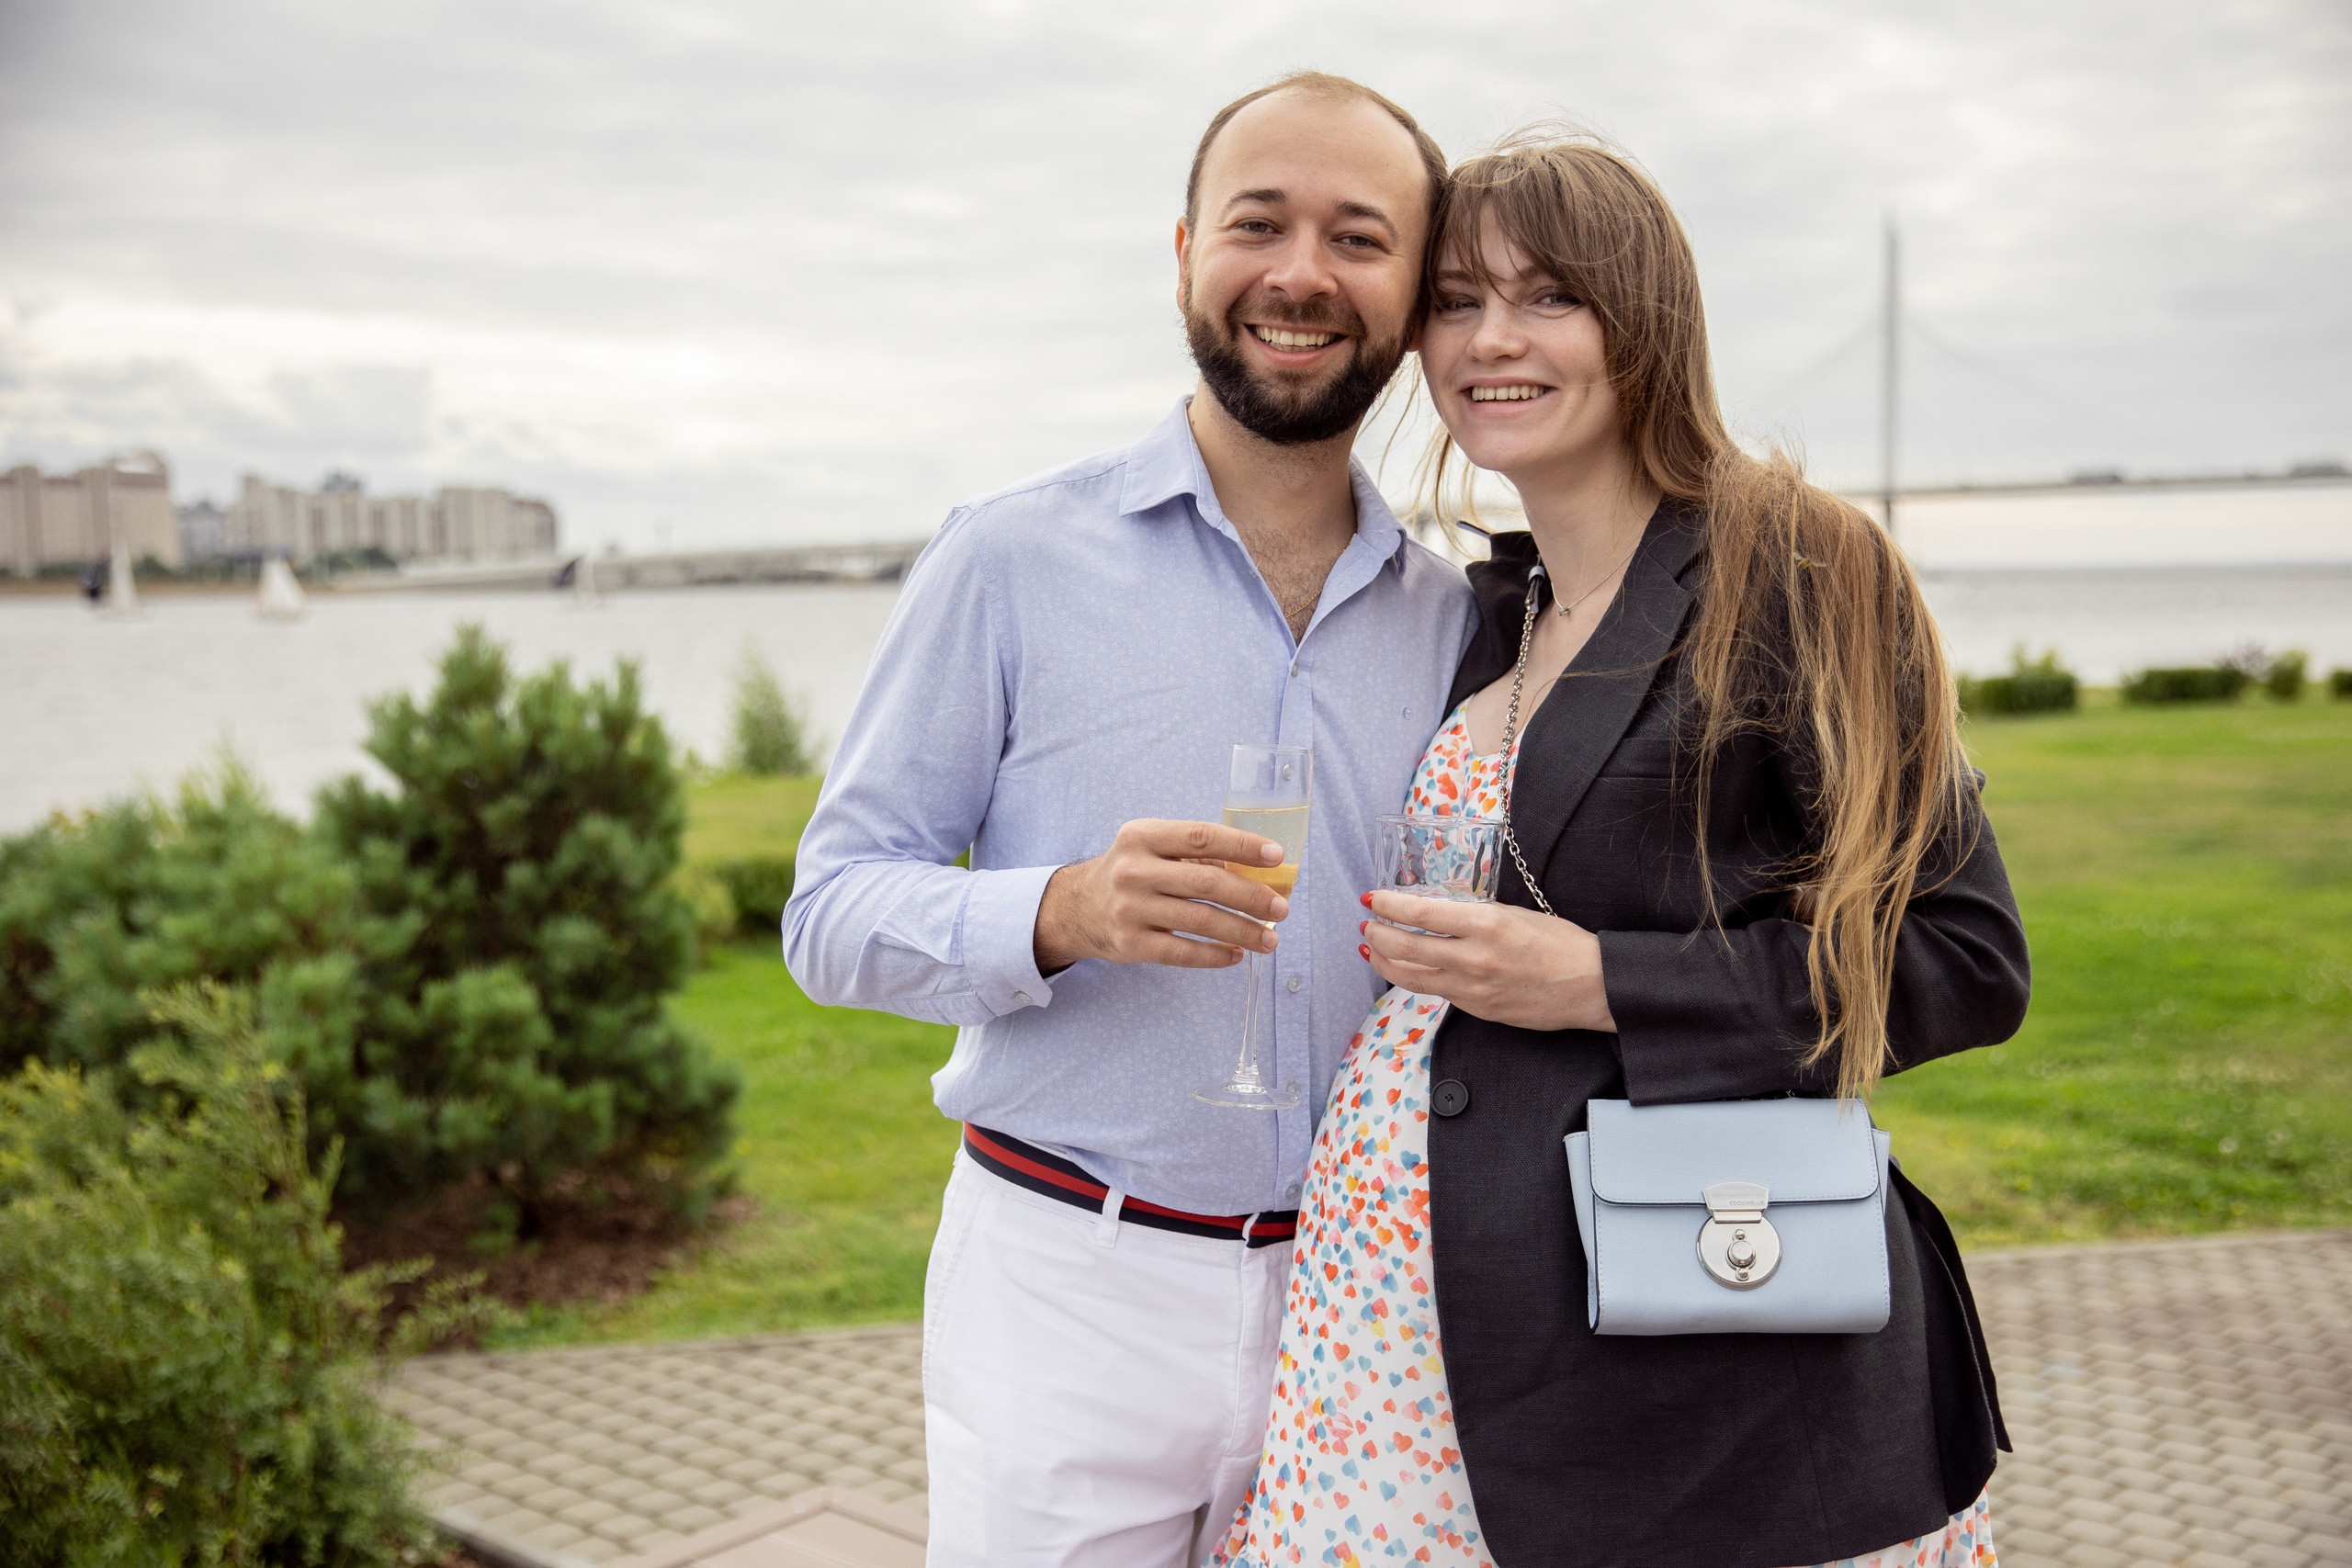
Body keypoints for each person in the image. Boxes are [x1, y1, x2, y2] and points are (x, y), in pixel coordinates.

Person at [1213, 130, 2030, 1568]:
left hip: (1686, 1347)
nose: (1491, 340)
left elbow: (1964, 961)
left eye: (1548, 297)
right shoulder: (1493, 612)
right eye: (1457, 302)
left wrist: (1604, 982)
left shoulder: (1794, 566)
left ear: (1645, 318)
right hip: (1407, 1333)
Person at [782, 73, 1476, 1565]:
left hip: (1365, 1308)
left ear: (1418, 297)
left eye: (1360, 237)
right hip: (1063, 1294)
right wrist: (1061, 912)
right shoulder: (1008, 558)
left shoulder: (1460, 621)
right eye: (1257, 223)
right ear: (1182, 256)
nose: (1300, 273)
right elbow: (829, 912)